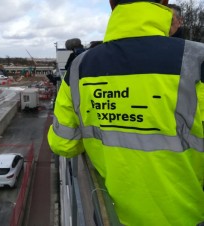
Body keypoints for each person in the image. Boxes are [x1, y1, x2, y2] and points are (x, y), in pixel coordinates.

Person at [48, 0, 204, 225]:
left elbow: (63, 144)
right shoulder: (197, 60)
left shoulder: (80, 67)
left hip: (113, 216)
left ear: (111, 3)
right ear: (165, 2)